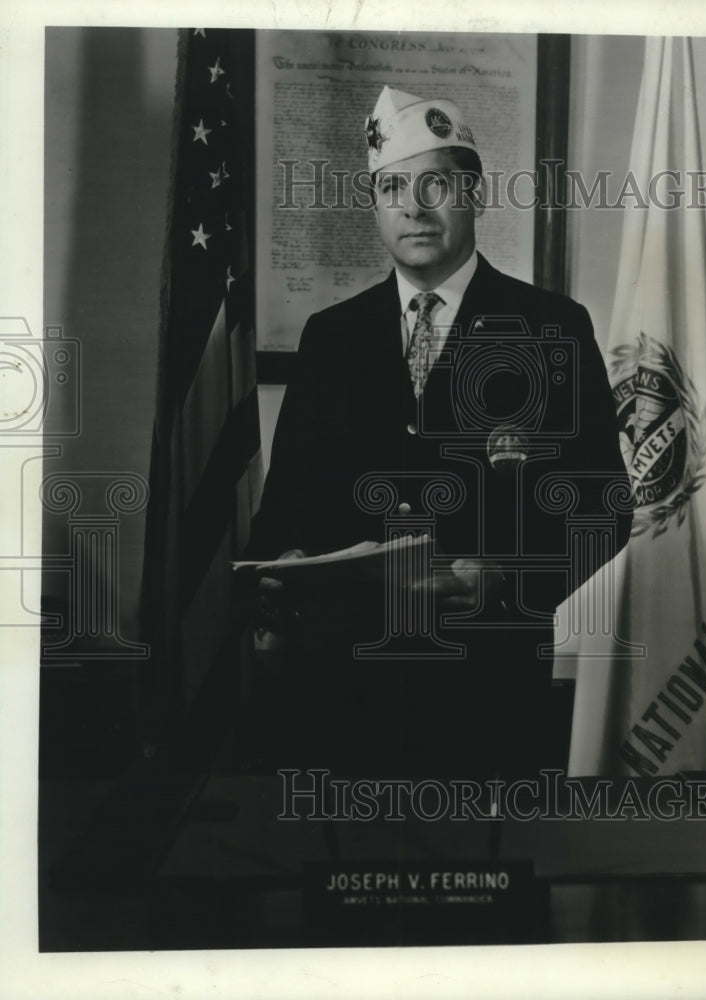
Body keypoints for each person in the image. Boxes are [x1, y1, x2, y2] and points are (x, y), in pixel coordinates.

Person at [245, 85, 633, 778]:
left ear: (476, 195)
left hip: (486, 687)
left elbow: (604, 505)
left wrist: (504, 581)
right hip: (339, 689)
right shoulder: (331, 337)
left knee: (485, 880)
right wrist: (283, 567)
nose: (413, 207)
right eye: (392, 186)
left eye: (437, 185)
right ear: (374, 204)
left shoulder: (552, 327)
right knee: (342, 879)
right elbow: (285, 507)